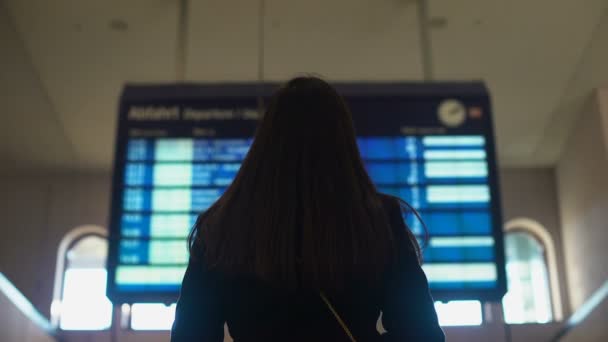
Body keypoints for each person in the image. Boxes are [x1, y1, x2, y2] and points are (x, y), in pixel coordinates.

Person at [171, 76, 444, 341]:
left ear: (265, 140)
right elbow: (422, 334)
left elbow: (191, 336)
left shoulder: (222, 226)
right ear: (343, 141)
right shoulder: (377, 218)